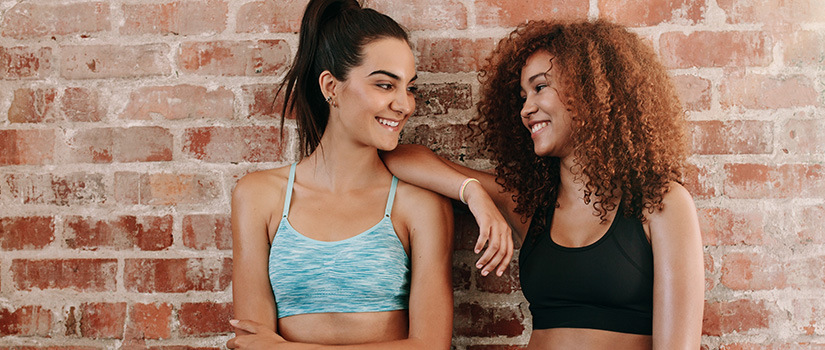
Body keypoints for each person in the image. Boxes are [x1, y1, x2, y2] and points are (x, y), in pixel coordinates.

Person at [382, 19, 704, 349]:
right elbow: (399, 158)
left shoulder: (662, 203)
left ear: (588, 90)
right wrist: (473, 192)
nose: (526, 109)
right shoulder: (531, 204)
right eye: (522, 97)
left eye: (539, 88)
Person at [227, 0, 462, 348]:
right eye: (385, 85)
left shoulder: (418, 203)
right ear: (330, 87)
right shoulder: (259, 196)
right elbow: (252, 343)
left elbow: (430, 345)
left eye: (409, 87)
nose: (405, 105)